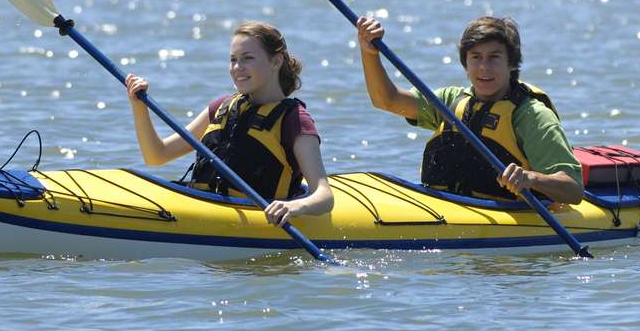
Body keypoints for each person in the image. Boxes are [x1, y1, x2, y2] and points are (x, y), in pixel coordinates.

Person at [356, 15, 583, 205]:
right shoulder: (450, 101)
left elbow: (573, 190)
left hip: (512, 221)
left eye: (494, 57)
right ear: (465, 63)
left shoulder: (532, 116)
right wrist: (369, 53)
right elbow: (387, 100)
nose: (484, 67)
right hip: (448, 208)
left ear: (512, 63)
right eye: (476, 57)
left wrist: (531, 179)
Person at [124, 22, 334, 226]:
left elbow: (324, 196)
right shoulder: (221, 107)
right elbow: (156, 155)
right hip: (205, 209)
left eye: (247, 58)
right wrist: (139, 105)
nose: (237, 68)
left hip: (259, 222)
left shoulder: (294, 119)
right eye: (233, 59)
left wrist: (294, 207)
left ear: (276, 61)